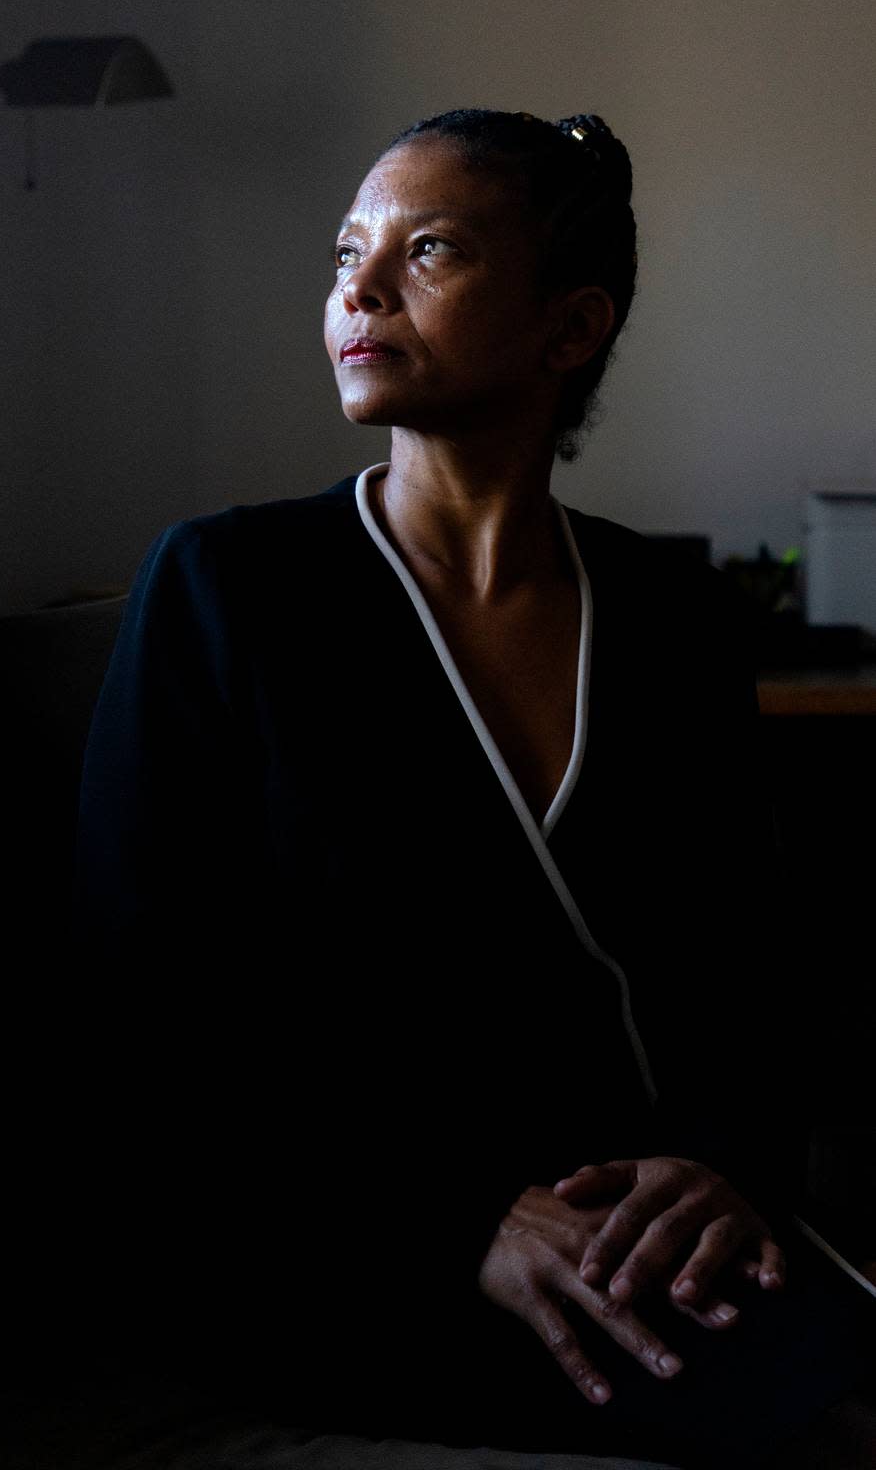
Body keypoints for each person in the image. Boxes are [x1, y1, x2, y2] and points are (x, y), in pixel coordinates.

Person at [73, 110, 873, 1468]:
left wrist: (717, 1173)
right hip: (335, 1239)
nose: (359, 291)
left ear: (570, 329)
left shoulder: (670, 614)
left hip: (636, 1229)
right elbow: (149, 1006)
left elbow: (745, 969)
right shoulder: (226, 589)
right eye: (347, 255)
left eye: (427, 250)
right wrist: (466, 1222)